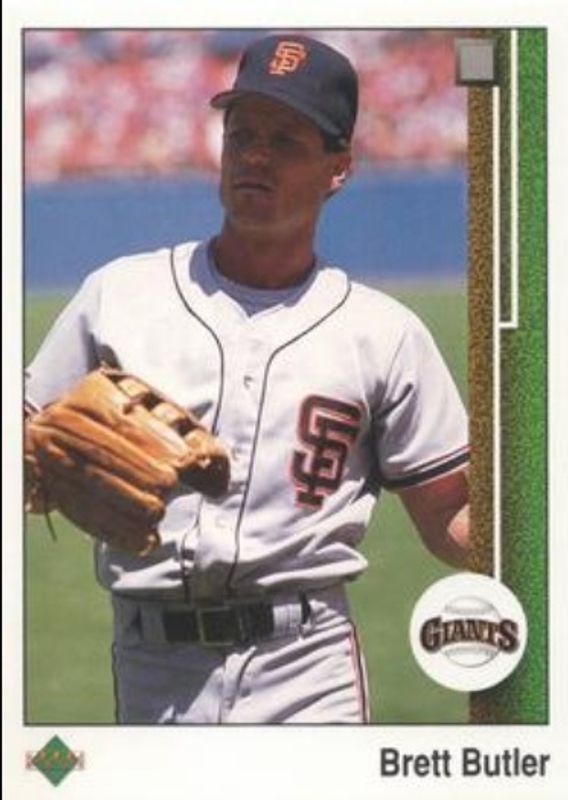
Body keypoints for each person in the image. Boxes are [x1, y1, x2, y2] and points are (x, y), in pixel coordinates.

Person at [25, 34, 469, 724]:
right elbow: (26, 431)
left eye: (285, 140)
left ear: (339, 168)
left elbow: (448, 518)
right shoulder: (118, 294)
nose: (256, 155)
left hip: (307, 667)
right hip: (152, 665)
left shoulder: (385, 333)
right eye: (242, 135)